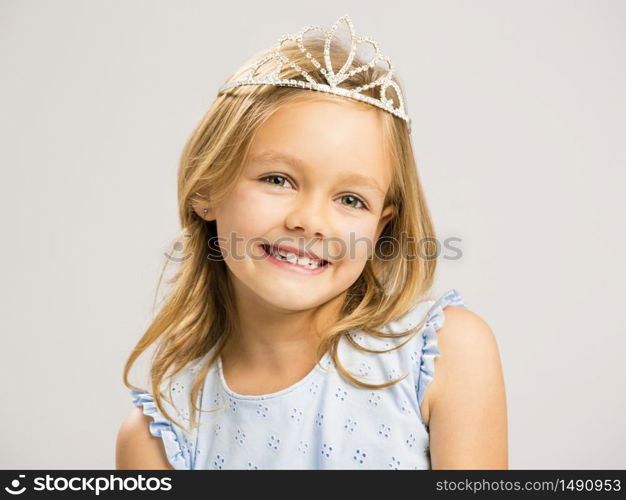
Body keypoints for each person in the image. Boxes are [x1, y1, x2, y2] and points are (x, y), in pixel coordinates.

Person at [115, 14, 507, 470]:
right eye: (278, 179)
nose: (310, 222)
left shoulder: (445, 356)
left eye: (350, 199)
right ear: (207, 188)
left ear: (380, 227)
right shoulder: (162, 436)